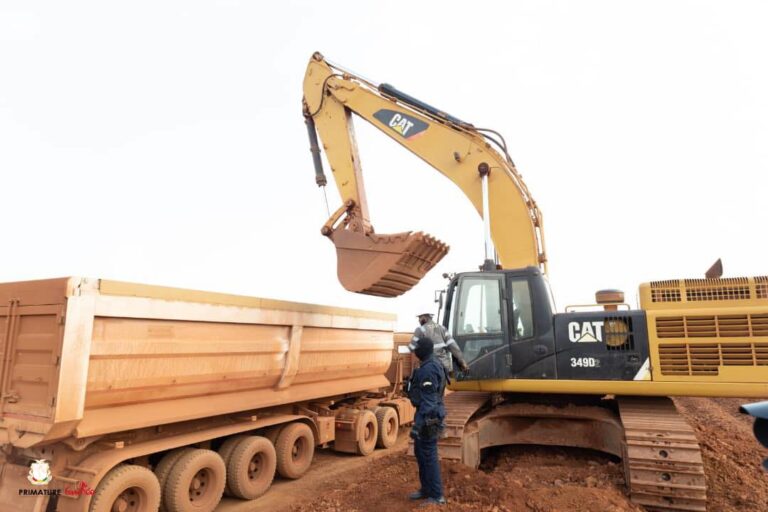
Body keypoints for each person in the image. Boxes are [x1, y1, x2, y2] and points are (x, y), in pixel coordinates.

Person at [407, 337, 447, 506]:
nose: (414, 352)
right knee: (420, 453)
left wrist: (418, 425)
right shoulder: (428, 365)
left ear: (423, 351)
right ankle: (426, 489)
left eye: (417, 349)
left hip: (428, 418)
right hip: (425, 414)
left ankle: (437, 496)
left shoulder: (429, 369)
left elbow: (429, 404)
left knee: (429, 455)